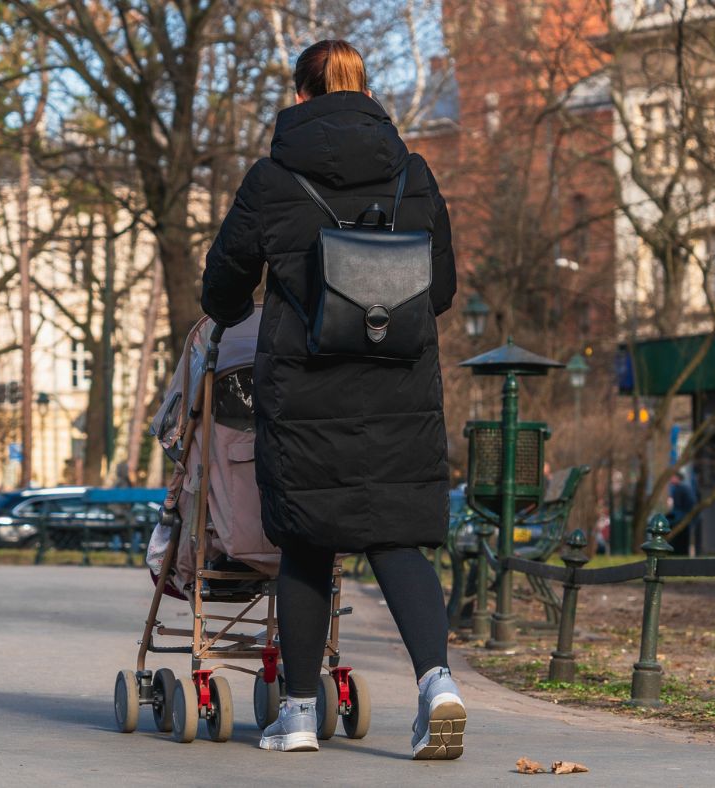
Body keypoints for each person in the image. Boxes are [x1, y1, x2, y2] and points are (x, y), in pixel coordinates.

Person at [200, 39, 463, 759]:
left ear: (301, 95)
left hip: (306, 389)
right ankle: (438, 684)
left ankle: (299, 714)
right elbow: (439, 291)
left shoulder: (272, 178)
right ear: (363, 89)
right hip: (399, 386)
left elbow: (223, 288)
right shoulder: (414, 174)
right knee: (395, 537)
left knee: (308, 541)